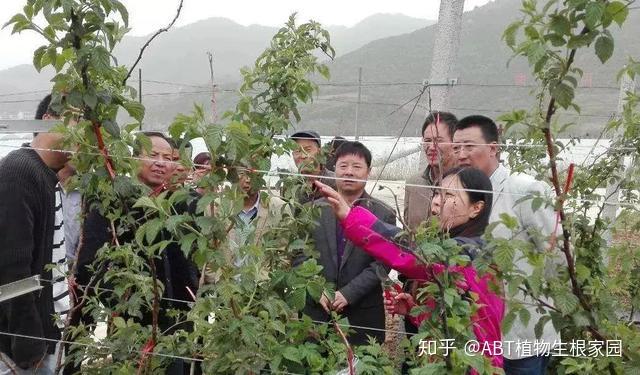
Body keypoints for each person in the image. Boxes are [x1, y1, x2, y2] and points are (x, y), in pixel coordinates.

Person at [315, 167, 504, 372]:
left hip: (471, 366)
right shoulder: (462, 246)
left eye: (449, 194)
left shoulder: (467, 252)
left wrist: (353, 218)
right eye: (437, 193)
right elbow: (455, 320)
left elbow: (408, 253)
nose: (437, 201)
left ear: (476, 208)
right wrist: (416, 312)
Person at [73, 132, 199, 374]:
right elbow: (90, 263)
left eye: (168, 157)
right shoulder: (113, 202)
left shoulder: (180, 204)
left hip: (177, 322)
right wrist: (123, 302)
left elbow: (192, 256)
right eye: (152, 155)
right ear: (133, 159)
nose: (161, 162)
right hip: (131, 324)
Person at [453, 115, 559, 374]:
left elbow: (557, 256)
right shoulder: (461, 195)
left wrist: (541, 300)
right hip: (477, 335)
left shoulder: (524, 190)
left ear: (493, 148)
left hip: (521, 335)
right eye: (456, 148)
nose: (462, 154)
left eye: (469, 146)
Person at [0, 94, 72, 373]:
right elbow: (11, 267)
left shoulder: (44, 174)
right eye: (78, 120)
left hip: (42, 338)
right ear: (48, 119)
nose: (88, 137)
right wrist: (29, 344)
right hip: (22, 349)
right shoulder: (20, 171)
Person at [297, 141, 396, 345]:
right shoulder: (311, 210)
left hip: (362, 312)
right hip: (317, 310)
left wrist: (349, 293)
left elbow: (383, 263)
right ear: (334, 170)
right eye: (343, 166)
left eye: (357, 167)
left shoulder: (383, 214)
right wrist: (317, 289)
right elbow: (299, 254)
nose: (349, 172)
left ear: (369, 172)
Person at [404, 111, 458, 231]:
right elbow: (407, 231)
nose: (432, 147)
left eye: (438, 140)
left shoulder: (465, 183)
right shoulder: (414, 183)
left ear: (455, 143)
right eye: (427, 141)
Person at [286, 130, 336, 204]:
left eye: (308, 150)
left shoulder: (335, 182)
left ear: (319, 152)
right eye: (297, 151)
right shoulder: (291, 184)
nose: (303, 156)